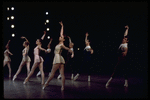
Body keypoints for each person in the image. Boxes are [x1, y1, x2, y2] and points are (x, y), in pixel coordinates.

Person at [42, 21, 73, 91]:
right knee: (62, 74)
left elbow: (66, 48)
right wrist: (62, 26)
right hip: (60, 58)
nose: (60, 37)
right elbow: (61, 33)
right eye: (60, 36)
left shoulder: (62, 44)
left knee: (52, 73)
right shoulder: (60, 43)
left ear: (63, 39)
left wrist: (71, 50)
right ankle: (62, 86)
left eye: (61, 37)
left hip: (57, 58)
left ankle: (46, 83)